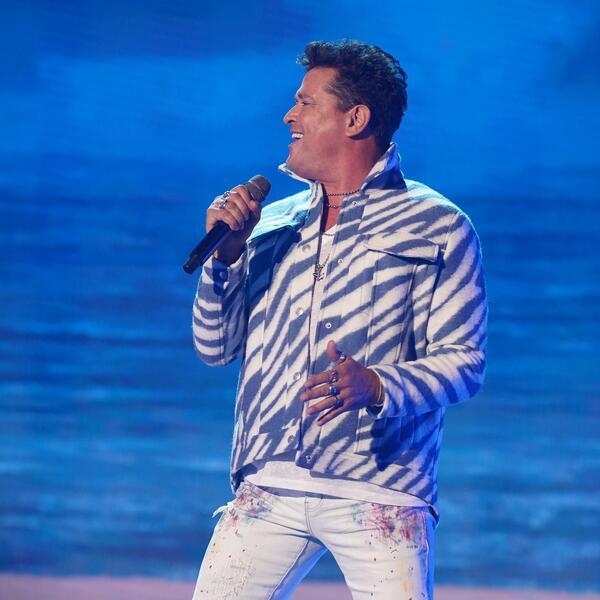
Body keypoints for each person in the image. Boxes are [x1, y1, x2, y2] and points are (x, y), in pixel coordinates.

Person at [191, 39, 487, 599]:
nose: (289, 115)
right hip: (269, 485)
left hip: (382, 489)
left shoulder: (438, 226)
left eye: (305, 103)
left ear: (356, 118)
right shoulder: (270, 224)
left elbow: (465, 364)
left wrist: (377, 385)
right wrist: (225, 260)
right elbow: (214, 347)